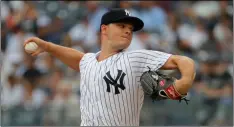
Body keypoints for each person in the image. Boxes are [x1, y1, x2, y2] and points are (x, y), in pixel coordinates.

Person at [24, 8, 196, 126]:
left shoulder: (135, 58)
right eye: (122, 26)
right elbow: (78, 59)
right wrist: (47, 46)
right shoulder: (88, 62)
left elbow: (183, 61)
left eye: (130, 28)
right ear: (104, 29)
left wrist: (184, 83)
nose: (128, 31)